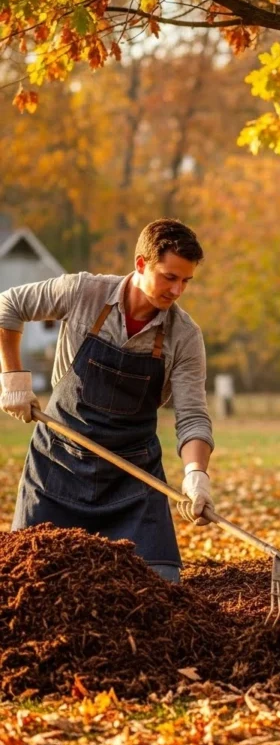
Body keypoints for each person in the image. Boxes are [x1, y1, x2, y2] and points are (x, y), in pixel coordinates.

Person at [0, 218, 214, 583]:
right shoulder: (83, 292)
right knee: (30, 583)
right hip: (57, 466)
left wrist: (196, 475)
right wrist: (13, 379)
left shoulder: (184, 336)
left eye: (186, 281)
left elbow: (192, 415)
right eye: (169, 277)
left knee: (161, 587)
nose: (177, 290)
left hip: (133, 476)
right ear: (141, 264)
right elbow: (9, 305)